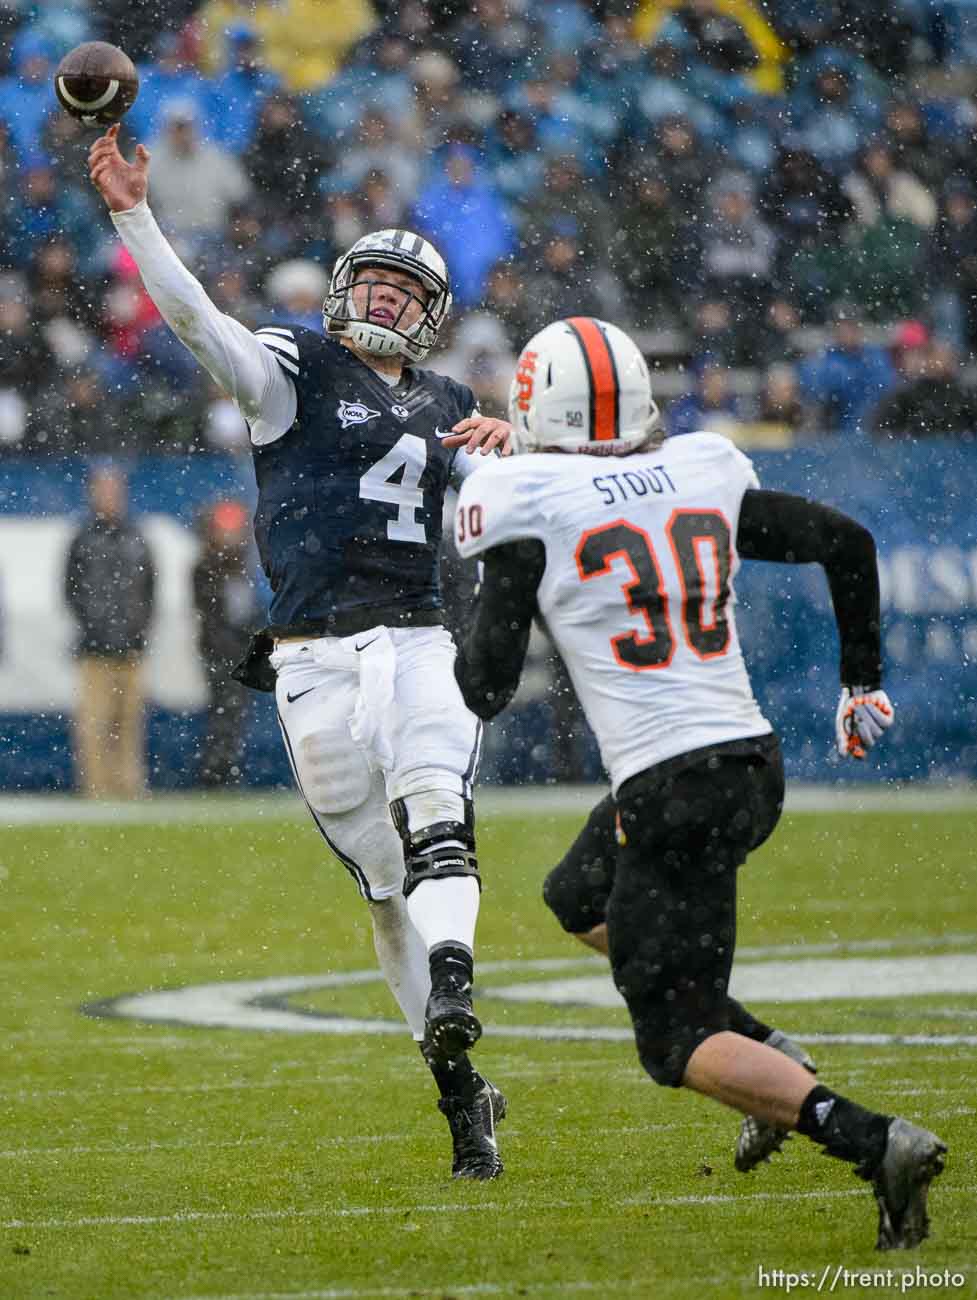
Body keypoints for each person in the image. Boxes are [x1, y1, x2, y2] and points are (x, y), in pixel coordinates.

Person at [451, 316, 947, 1249]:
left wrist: (478, 588)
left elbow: (483, 688)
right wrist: (861, 682)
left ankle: (868, 1137)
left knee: (673, 1042)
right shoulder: (699, 466)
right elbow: (846, 541)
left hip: (670, 787)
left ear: (530, 405)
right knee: (576, 892)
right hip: (750, 764)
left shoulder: (521, 498)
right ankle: (766, 1053)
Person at [87, 124, 512, 1180]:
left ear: (431, 316)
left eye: (403, 292)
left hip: (417, 638)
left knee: (436, 822)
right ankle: (461, 1091)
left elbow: (526, 506)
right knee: (379, 887)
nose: (382, 300)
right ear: (341, 286)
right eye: (370, 281)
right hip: (312, 657)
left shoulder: (455, 405)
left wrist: (528, 440)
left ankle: (452, 976)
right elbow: (194, 321)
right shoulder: (293, 368)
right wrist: (135, 217)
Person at [64, 463, 156, 799]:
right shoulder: (83, 537)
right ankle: (97, 788)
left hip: (131, 646)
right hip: (94, 648)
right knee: (94, 723)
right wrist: (94, 624)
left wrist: (137, 629)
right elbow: (70, 590)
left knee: (130, 723)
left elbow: (149, 590)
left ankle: (129, 785)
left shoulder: (136, 536)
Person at [192, 499, 265, 786]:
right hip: (220, 653)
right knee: (222, 713)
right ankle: (215, 771)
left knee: (233, 714)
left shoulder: (240, 566)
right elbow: (211, 616)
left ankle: (225, 767)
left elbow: (247, 613)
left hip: (237, 653)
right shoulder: (206, 566)